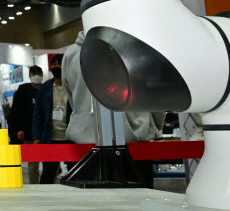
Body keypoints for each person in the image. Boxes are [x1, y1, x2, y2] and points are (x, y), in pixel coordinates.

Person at [63, 32, 164, 188]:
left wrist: (83, 117)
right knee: (139, 201)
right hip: (134, 139)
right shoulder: (139, 47)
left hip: (83, 141)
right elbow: (156, 96)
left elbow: (71, 96)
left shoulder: (71, 54)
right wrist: (152, 127)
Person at [32, 55, 72, 184]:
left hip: (71, 138)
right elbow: (38, 114)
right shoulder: (45, 88)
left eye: (58, 63)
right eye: (53, 64)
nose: (55, 66)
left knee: (75, 173)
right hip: (51, 138)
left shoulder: (73, 86)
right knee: (48, 174)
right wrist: (37, 137)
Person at [9, 65, 43, 184]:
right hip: (29, 132)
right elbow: (15, 113)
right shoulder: (22, 91)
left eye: (38, 73)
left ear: (42, 75)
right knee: (33, 163)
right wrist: (18, 129)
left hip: (46, 131)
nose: (36, 76)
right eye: (33, 73)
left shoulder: (47, 90)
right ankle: (35, 186)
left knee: (51, 161)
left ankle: (48, 186)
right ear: (29, 76)